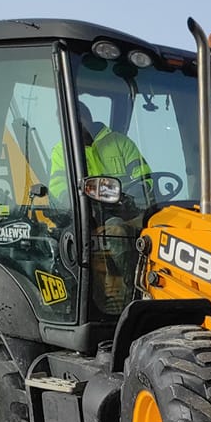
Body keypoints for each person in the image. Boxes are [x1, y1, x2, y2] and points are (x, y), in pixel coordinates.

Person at [48, 101, 152, 314]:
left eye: (79, 120)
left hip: (128, 212)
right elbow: (58, 187)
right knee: (115, 231)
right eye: (64, 122)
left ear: (87, 117)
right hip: (89, 219)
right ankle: (133, 294)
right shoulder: (63, 151)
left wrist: (135, 196)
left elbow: (144, 177)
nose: (74, 126)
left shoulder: (120, 143)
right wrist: (79, 202)